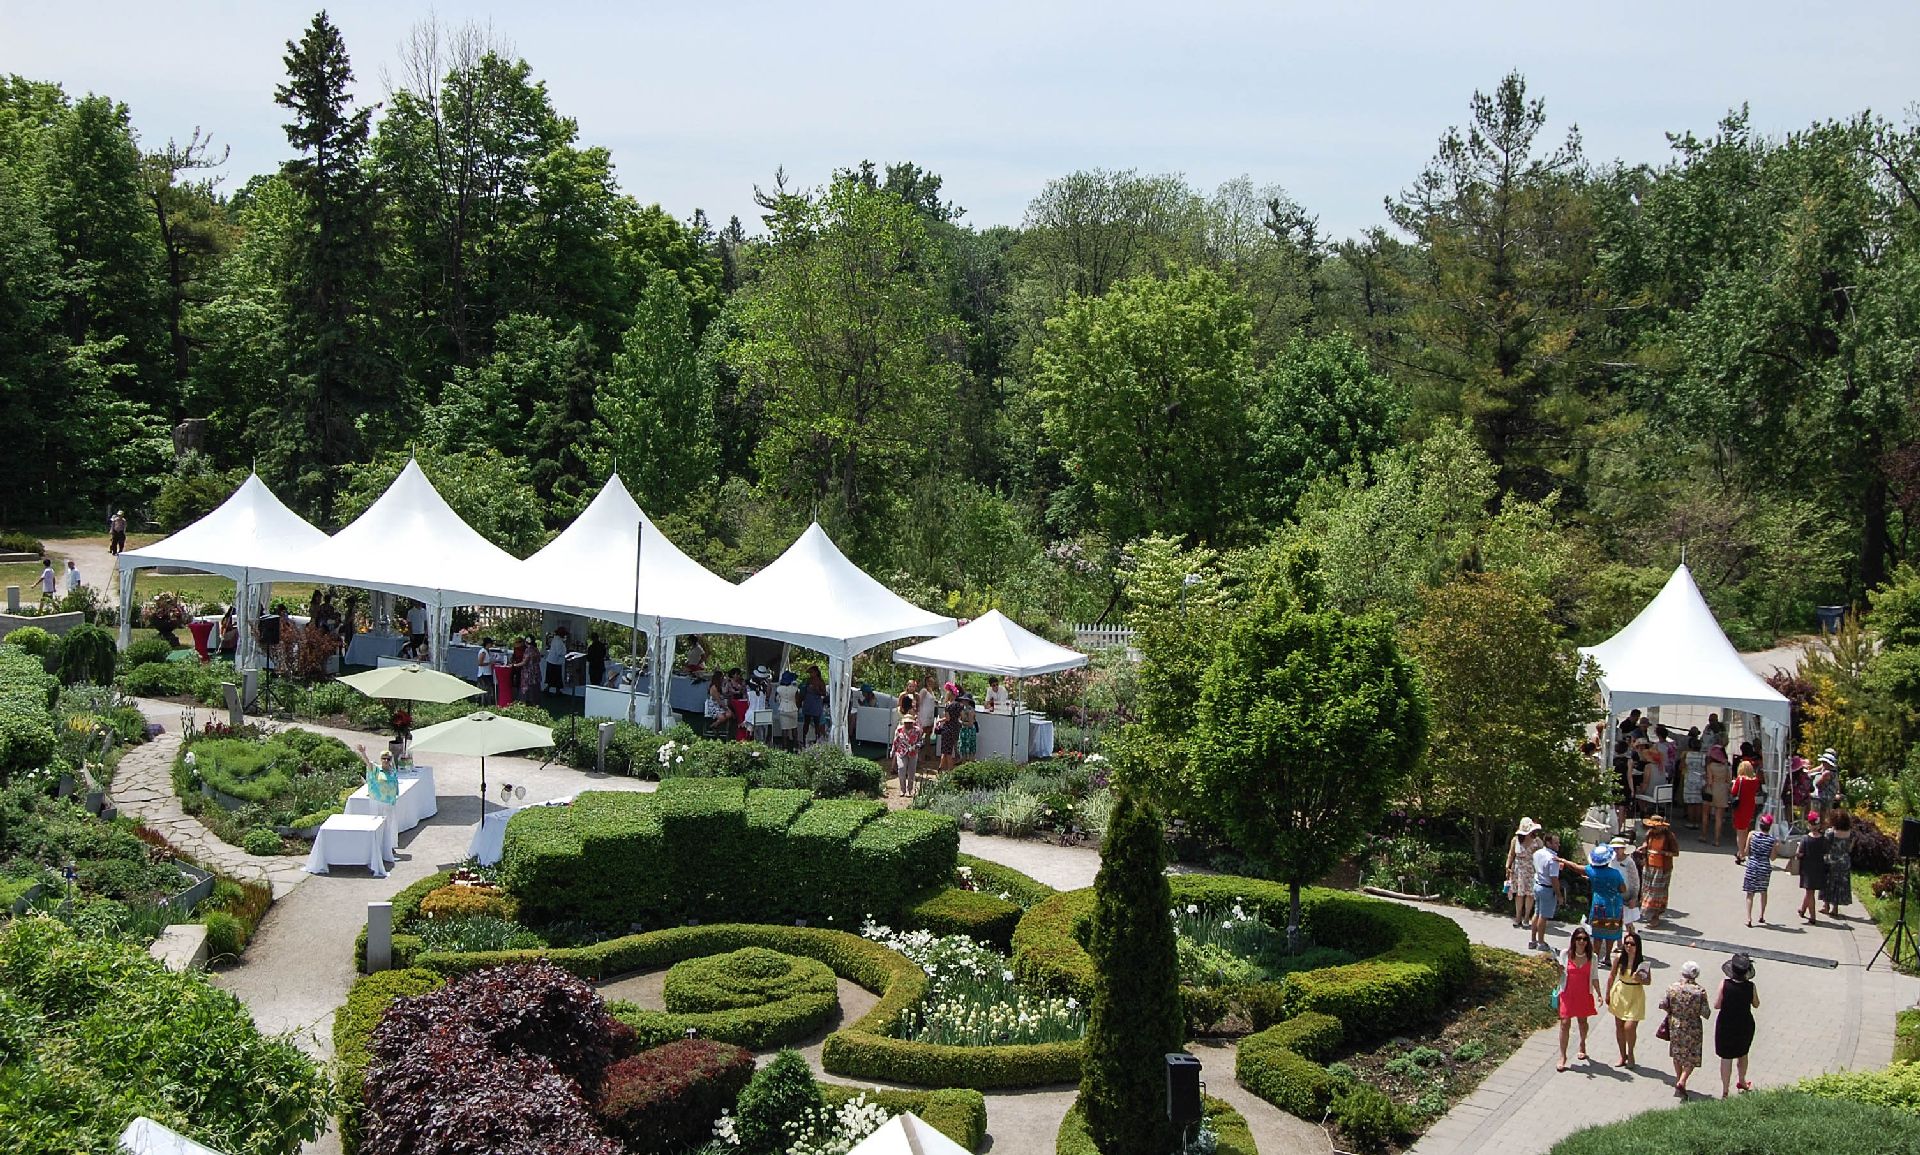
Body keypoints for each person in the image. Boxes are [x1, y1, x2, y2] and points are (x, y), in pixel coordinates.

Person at [1562, 845, 1626, 963]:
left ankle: (1595, 956)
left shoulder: (1592, 871)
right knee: (1611, 932)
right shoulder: (1615, 873)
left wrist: (1564, 861)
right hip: (1614, 905)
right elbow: (1623, 889)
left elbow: (1576, 867)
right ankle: (1607, 957)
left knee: (1598, 932)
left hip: (1599, 904)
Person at [1661, 960, 1713, 1097]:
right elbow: (1706, 1013)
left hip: (1675, 1024)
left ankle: (1679, 1080)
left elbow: (1663, 1004)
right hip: (1693, 1026)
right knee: (1693, 1055)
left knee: (1677, 1053)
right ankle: (1683, 1080)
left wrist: (1673, 1011)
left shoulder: (1672, 987)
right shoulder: (1700, 991)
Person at [1555, 925, 1603, 1071]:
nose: (1581, 942)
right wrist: (1556, 970)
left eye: (1584, 939)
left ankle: (1582, 1043)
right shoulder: (1565, 954)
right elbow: (1558, 973)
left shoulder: (1592, 957)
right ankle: (1562, 1055)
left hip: (1583, 993)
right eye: (1578, 939)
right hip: (1567, 993)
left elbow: (1594, 977)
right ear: (1573, 940)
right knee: (1564, 1023)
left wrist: (1599, 994)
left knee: (1583, 1022)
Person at [1715, 953, 1760, 1098]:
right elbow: (1756, 1004)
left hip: (1726, 1024)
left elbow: (1717, 1005)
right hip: (1744, 1024)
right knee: (1743, 1053)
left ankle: (1725, 1091)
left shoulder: (1725, 984)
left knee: (1726, 1058)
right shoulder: (1750, 986)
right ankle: (1742, 1081)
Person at [1606, 926, 1651, 1066]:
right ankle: (1622, 1055)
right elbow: (1612, 975)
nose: (1629, 946)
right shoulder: (1619, 959)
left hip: (1635, 995)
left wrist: (1640, 978)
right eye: (1627, 943)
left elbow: (1648, 981)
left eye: (1632, 944)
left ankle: (1630, 1053)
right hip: (1620, 993)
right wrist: (1607, 994)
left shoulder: (1642, 962)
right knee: (1619, 1026)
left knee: (1629, 1027)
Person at [1641, 814, 1680, 929]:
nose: (1653, 829)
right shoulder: (1649, 834)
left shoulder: (1669, 837)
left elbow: (1675, 852)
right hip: (1648, 867)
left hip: (1662, 869)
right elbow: (1646, 844)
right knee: (1647, 890)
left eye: (1655, 827)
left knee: (1657, 894)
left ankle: (1655, 917)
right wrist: (1643, 848)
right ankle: (1649, 914)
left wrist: (1663, 853)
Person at [1743, 814, 1778, 926]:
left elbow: (1746, 852)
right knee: (1763, 892)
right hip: (1764, 867)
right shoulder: (1772, 840)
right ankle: (1762, 915)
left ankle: (1749, 918)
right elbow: (1772, 858)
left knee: (1750, 893)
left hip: (1752, 866)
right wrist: (1776, 847)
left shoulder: (1751, 835)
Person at [1530, 831, 1562, 953]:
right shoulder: (1553, 859)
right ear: (1548, 843)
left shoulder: (1538, 853)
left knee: (1536, 913)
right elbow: (1554, 879)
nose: (1558, 845)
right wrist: (1559, 895)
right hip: (1547, 888)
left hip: (1537, 885)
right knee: (1543, 917)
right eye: (1555, 843)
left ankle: (1533, 940)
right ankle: (1541, 942)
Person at [1507, 819, 1541, 929]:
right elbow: (1511, 854)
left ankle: (1526, 917)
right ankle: (1518, 917)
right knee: (1519, 894)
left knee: (1530, 894)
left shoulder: (1537, 841)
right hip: (1519, 870)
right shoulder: (1515, 840)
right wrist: (1507, 866)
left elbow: (1542, 855)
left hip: (1532, 869)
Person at [1798, 812, 1830, 925]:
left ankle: (1812, 916)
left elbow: (1799, 853)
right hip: (1819, 868)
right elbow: (1826, 853)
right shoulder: (1823, 839)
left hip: (1808, 869)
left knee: (1810, 892)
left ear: (1809, 825)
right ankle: (1802, 910)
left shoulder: (1805, 839)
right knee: (1810, 892)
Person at [1821, 810, 1854, 916]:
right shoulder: (1850, 833)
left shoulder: (1830, 833)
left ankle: (1826, 906)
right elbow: (1850, 848)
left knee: (1828, 883)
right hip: (1844, 861)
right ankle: (1835, 908)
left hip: (1832, 861)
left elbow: (1825, 847)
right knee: (1840, 884)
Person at [1730, 759, 1763, 863]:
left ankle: (1741, 854)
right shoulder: (1755, 780)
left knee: (1740, 831)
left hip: (1740, 807)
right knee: (1745, 829)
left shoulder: (1740, 780)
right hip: (1750, 806)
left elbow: (1733, 792)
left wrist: (1734, 783)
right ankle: (1742, 851)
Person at [890, 705, 924, 798]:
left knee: (911, 772)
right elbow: (895, 741)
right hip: (901, 752)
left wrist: (916, 746)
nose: (908, 724)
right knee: (901, 769)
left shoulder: (917, 731)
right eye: (906, 723)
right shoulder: (899, 730)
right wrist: (893, 751)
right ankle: (902, 789)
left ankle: (909, 790)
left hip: (913, 753)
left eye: (910, 723)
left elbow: (921, 741)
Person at [1612, 833, 1642, 928]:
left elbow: (1635, 881)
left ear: (1623, 849)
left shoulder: (1629, 862)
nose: (1616, 850)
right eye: (1614, 848)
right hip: (1613, 895)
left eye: (1618, 848)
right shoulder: (1611, 860)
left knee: (1628, 922)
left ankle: (1632, 940)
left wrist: (1634, 898)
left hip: (1626, 896)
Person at [1705, 745, 1733, 847]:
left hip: (1712, 790)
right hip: (1722, 790)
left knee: (1706, 814)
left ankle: (1704, 835)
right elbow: (1729, 780)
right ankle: (1717, 840)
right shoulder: (1725, 767)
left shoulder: (1710, 766)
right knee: (1719, 817)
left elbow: (1710, 781)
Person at [936, 682, 962, 774]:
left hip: (947, 729)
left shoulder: (948, 705)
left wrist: (939, 720)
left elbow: (947, 718)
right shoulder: (959, 705)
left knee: (946, 751)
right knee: (948, 749)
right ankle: (940, 768)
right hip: (955, 728)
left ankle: (949, 770)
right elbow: (960, 717)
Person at [1682, 729, 1706, 828]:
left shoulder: (1687, 755)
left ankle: (1691, 822)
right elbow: (1705, 767)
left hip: (1689, 779)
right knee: (1699, 803)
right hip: (1700, 779)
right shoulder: (1703, 756)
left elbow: (1683, 766)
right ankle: (1697, 823)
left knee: (1690, 803)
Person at [775, 671, 801, 749]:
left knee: (784, 730)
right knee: (794, 728)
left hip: (783, 709)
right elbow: (798, 700)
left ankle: (785, 747)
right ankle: (795, 746)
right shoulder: (795, 689)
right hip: (793, 709)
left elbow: (775, 699)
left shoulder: (779, 689)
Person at [801, 666, 827, 746]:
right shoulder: (809, 680)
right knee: (806, 722)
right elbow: (804, 691)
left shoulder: (820, 681)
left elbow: (824, 693)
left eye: (812, 672)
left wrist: (816, 690)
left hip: (816, 703)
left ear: (816, 673)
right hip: (808, 702)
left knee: (817, 723)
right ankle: (804, 739)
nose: (810, 674)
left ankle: (817, 740)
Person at [1812, 750, 1840, 815]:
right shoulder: (1834, 771)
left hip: (1824, 796)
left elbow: (1818, 784)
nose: (1822, 763)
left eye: (1824, 762)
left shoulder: (1827, 773)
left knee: (1820, 813)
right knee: (1826, 814)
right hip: (1830, 796)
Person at [544, 628, 569, 696]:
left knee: (552, 677)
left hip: (553, 661)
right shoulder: (558, 641)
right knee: (556, 677)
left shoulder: (556, 639)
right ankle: (554, 691)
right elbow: (559, 652)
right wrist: (565, 653)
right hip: (555, 662)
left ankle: (550, 690)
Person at [956, 688, 978, 763]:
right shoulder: (965, 709)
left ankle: (967, 765)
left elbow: (970, 724)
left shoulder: (970, 710)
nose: (962, 701)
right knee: (964, 748)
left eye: (964, 700)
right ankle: (965, 764)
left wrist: (960, 722)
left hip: (968, 730)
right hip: (965, 730)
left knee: (969, 748)